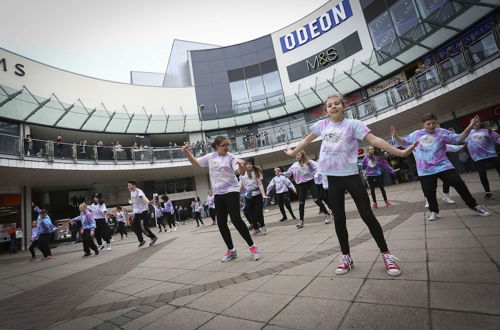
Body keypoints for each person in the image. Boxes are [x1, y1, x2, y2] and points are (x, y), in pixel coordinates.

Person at [285, 94, 417, 276]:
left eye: (336, 103)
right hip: (332, 178)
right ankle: (346, 256)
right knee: (339, 219)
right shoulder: (322, 125)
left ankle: (386, 254)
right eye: (329, 105)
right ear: (326, 110)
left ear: (343, 106)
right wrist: (293, 152)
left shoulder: (354, 124)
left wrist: (400, 153)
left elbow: (375, 141)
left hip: (351, 176)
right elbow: (305, 141)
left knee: (367, 215)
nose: (333, 107)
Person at [391, 113, 490, 221]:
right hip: (425, 170)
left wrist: (470, 126)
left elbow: (459, 138)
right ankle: (433, 211)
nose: (431, 126)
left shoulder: (442, 132)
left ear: (436, 123)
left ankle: (474, 206)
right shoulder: (416, 134)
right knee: (429, 192)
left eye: (433, 123)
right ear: (423, 125)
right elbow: (404, 142)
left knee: (459, 183)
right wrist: (396, 137)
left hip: (443, 166)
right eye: (428, 124)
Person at [182, 137, 261, 262]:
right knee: (221, 222)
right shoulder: (210, 157)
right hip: (218, 193)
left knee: (236, 219)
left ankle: (252, 247)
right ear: (216, 146)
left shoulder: (230, 157)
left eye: (227, 145)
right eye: (223, 145)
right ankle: (231, 250)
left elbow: (240, 172)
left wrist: (241, 166)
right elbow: (196, 162)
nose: (226, 147)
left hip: (231, 190)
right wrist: (187, 153)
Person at [284, 151, 330, 228]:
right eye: (296, 155)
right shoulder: (294, 165)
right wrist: (282, 173)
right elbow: (288, 174)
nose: (297, 156)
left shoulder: (309, 162)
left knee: (316, 199)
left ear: (302, 155)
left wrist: (316, 174)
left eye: (298, 154)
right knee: (301, 203)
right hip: (301, 185)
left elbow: (318, 167)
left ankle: (327, 214)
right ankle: (301, 221)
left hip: (310, 182)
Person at [465, 118, 500, 200]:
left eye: (476, 121)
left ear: (481, 123)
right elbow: (464, 142)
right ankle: (488, 193)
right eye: (472, 122)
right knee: (482, 175)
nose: (474, 123)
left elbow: (498, 139)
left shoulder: (488, 131)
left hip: (491, 154)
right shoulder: (469, 133)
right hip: (478, 158)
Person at [240, 157, 269, 235]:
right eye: (247, 164)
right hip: (248, 197)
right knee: (250, 213)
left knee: (258, 212)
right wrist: (236, 195)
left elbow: (260, 184)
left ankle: (263, 227)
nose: (249, 166)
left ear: (252, 165)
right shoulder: (243, 174)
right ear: (245, 165)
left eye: (250, 164)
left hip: (257, 195)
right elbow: (241, 185)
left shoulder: (257, 173)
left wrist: (263, 194)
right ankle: (256, 229)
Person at [127, 180, 158, 247]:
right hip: (137, 212)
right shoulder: (132, 192)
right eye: (128, 185)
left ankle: (153, 237)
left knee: (143, 226)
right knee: (134, 226)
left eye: (129, 185)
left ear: (134, 185)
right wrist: (131, 202)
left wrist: (148, 202)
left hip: (143, 212)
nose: (128, 187)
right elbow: (135, 201)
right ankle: (141, 241)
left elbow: (143, 197)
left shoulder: (139, 191)